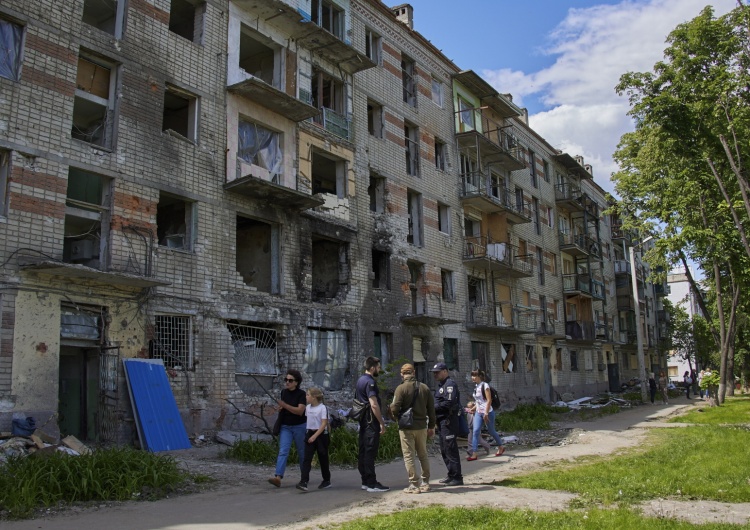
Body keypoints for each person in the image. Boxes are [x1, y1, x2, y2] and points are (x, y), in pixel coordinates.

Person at [390, 363, 436, 494]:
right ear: (414, 372)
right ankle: (425, 482)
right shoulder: (425, 388)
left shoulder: (401, 388)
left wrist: (396, 417)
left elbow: (394, 407)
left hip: (406, 427)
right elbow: (431, 410)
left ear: (402, 374)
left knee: (409, 455)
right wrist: (432, 426)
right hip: (422, 426)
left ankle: (414, 484)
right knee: (423, 454)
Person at [268, 370, 307, 488]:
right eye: (286, 380)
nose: (287, 382)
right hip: (285, 426)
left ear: (296, 382)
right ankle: (278, 477)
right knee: (283, 451)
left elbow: (300, 411)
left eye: (290, 380)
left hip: (299, 426)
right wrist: (279, 408)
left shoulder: (301, 394)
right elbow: (283, 407)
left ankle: (304, 477)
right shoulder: (283, 392)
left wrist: (285, 406)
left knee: (302, 452)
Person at [356, 356, 389, 492]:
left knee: (364, 450)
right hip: (370, 421)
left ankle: (365, 480)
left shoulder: (360, 380)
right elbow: (374, 404)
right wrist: (381, 422)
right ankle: (371, 483)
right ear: (372, 368)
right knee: (370, 451)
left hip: (363, 421)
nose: (379, 370)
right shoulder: (370, 382)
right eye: (378, 367)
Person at [430, 362, 463, 487]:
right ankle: (451, 474)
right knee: (444, 449)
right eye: (434, 373)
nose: (435, 374)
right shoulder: (442, 385)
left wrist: (433, 408)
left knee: (450, 448)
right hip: (442, 421)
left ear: (445, 371)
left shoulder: (450, 385)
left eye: (437, 372)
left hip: (449, 420)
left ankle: (457, 477)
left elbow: (449, 403)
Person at [296, 387, 331, 492]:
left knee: (323, 458)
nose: (306, 397)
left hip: (321, 434)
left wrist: (315, 436)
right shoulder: (308, 408)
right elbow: (309, 421)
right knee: (307, 458)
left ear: (314, 397)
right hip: (310, 433)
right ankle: (304, 482)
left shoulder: (322, 408)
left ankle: (326, 480)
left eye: (307, 395)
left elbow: (324, 423)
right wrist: (309, 435)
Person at [467, 370, 505, 461]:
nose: (472, 377)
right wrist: (474, 408)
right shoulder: (476, 386)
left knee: (491, 431)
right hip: (479, 413)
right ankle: (474, 453)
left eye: (474, 376)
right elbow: (479, 401)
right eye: (472, 375)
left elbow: (488, 401)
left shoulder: (485, 386)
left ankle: (501, 446)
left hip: (488, 412)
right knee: (476, 431)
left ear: (479, 376)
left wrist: (486, 413)